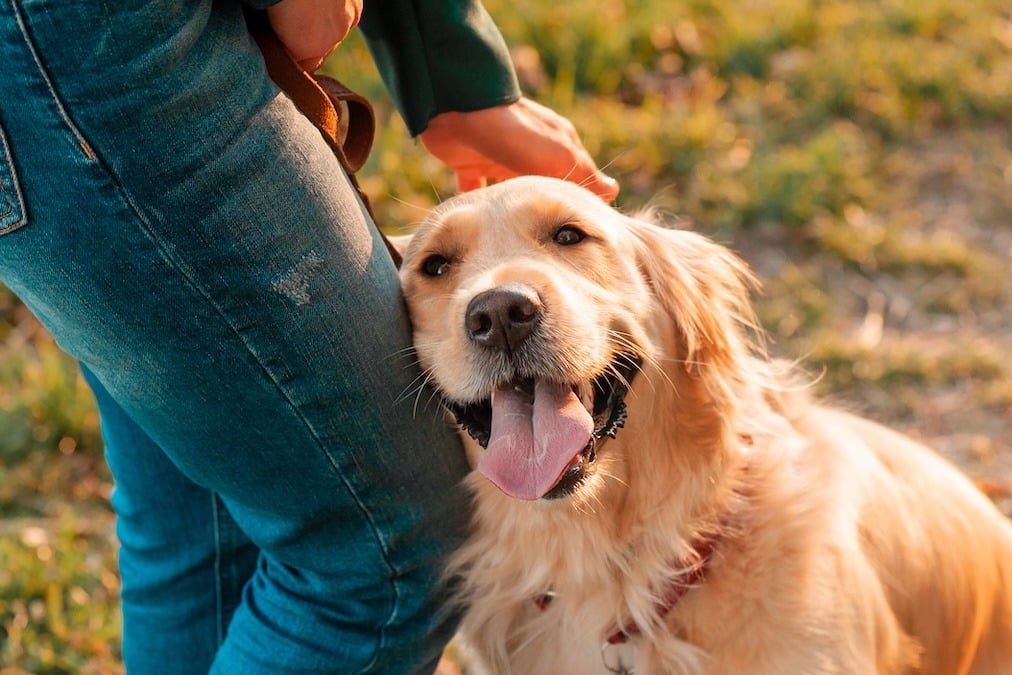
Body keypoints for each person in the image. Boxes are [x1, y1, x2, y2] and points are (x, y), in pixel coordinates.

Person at [0, 0, 617, 672]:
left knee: (210, 516)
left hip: (57, 62)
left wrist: (450, 70)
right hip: (84, 49)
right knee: (384, 552)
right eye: (438, 266)